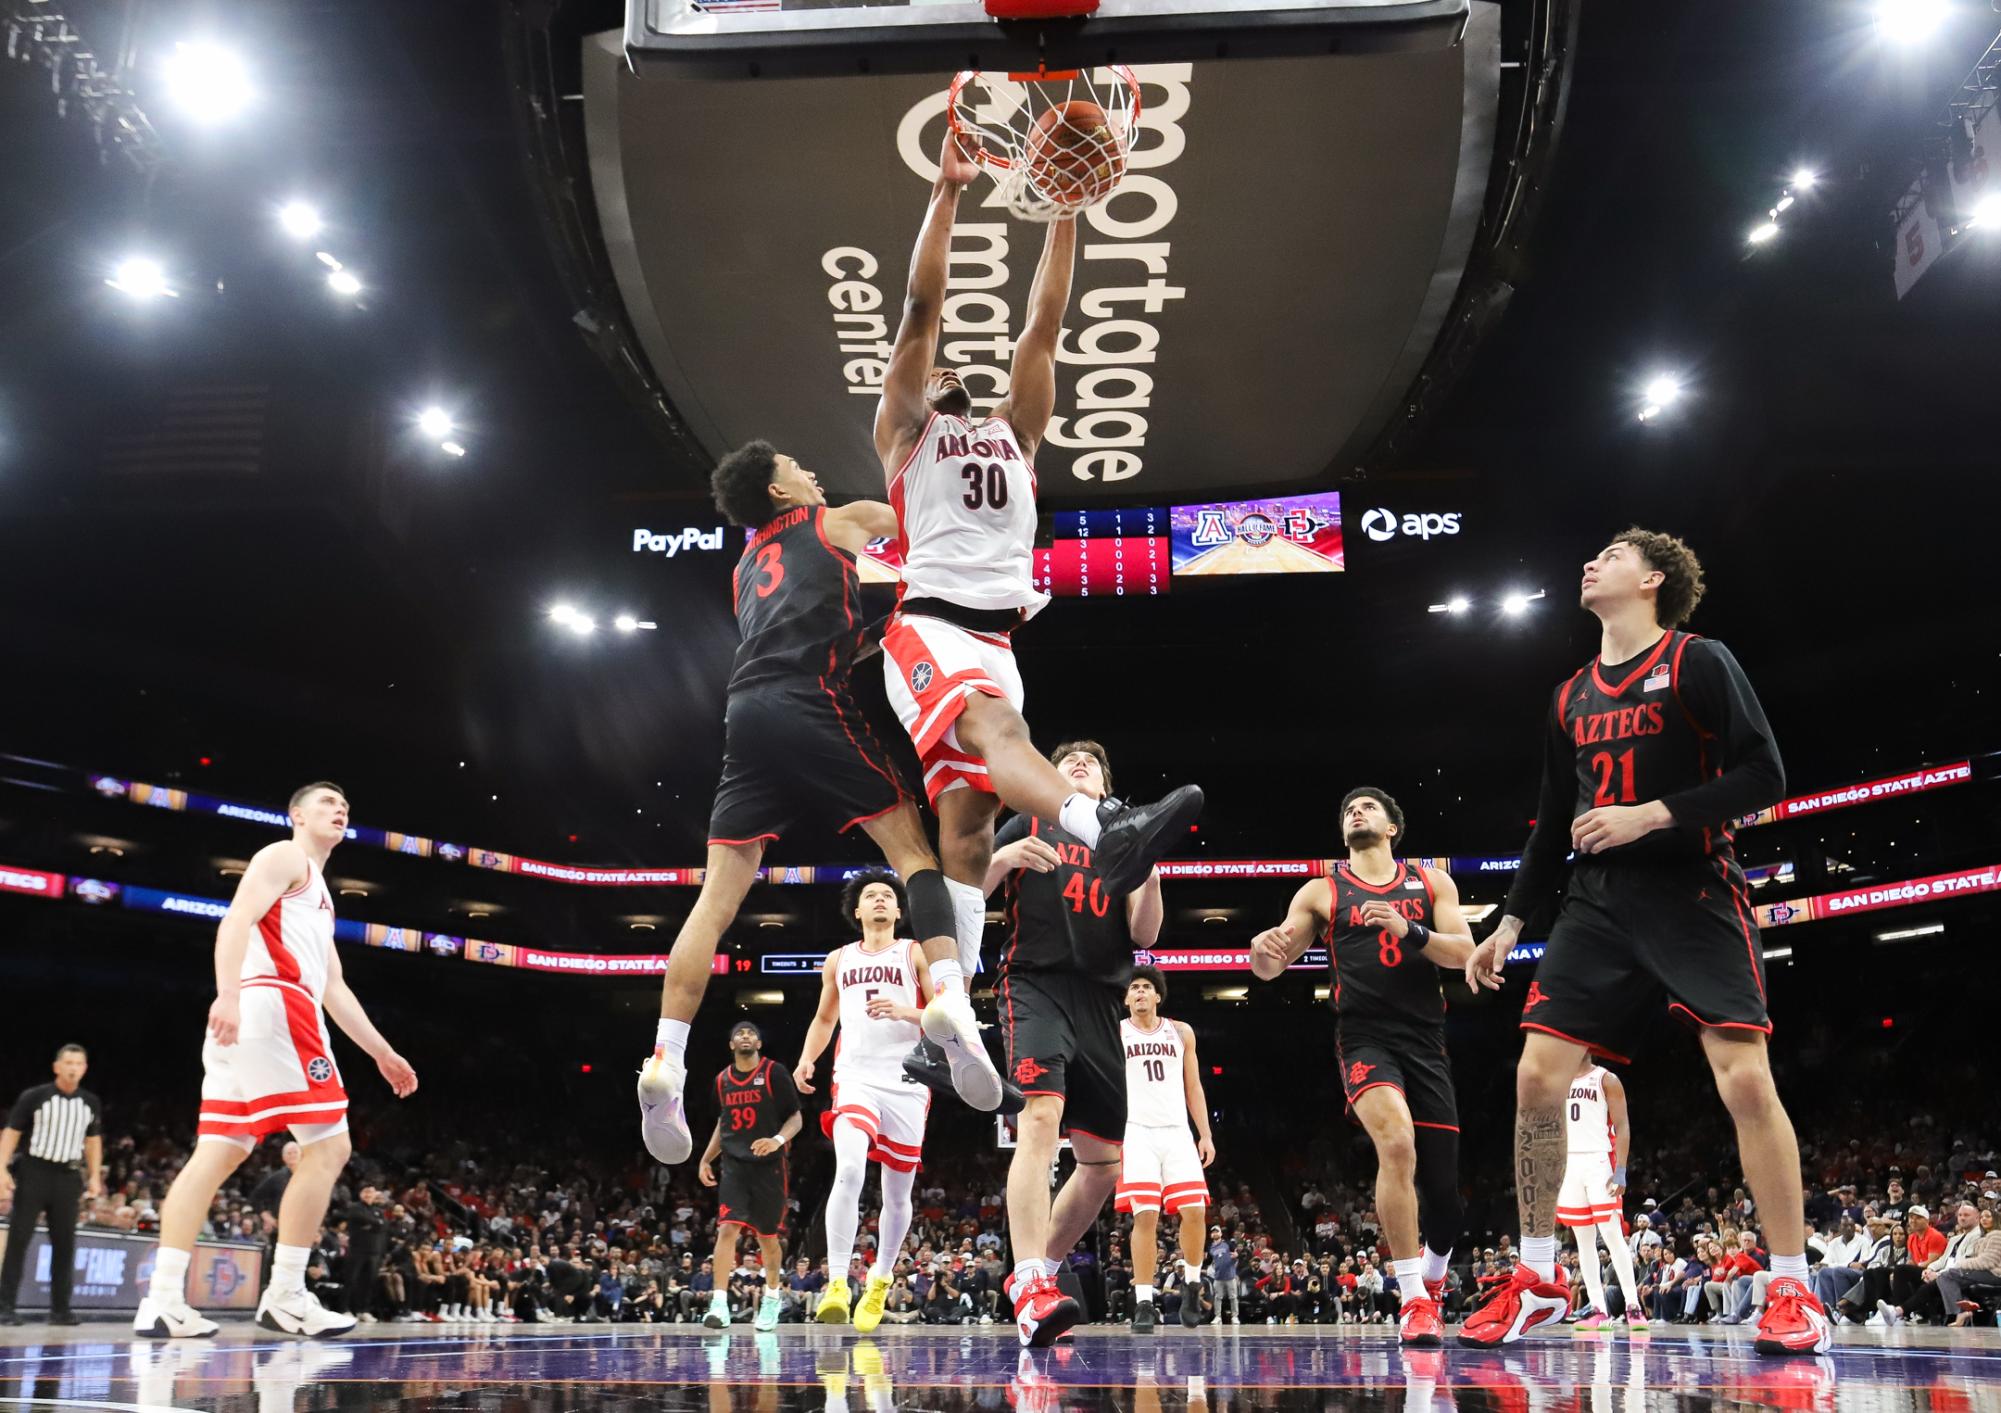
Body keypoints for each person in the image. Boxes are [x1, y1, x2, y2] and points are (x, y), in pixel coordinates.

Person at [872, 131, 1203, 1111]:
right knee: (1001, 735)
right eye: (927, 371)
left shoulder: (1016, 430)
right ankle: (1102, 822)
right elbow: (921, 307)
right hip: (928, 629)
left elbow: (1044, 325)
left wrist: (1068, 206)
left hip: (997, 641)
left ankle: (949, 1025)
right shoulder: (904, 429)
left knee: (966, 837)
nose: (940, 371)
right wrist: (947, 197)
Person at [1458, 529, 1830, 1357]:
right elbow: (1553, 820)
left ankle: (1791, 1283)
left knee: (1741, 1078)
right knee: (1533, 1075)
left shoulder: (1698, 660)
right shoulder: (1567, 697)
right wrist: (1510, 921)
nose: (1589, 562)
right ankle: (1537, 1279)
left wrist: (1653, 812)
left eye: (1611, 554)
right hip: (1596, 903)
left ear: (1652, 578)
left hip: (1692, 887)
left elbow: (1764, 775)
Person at [636, 447, 1007, 1168]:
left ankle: (665, 1058)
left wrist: (876, 631)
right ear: (780, 489)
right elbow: (917, 525)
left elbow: (815, 634)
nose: (813, 468)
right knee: (912, 853)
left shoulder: (743, 568)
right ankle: (951, 1002)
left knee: (714, 901)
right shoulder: (838, 520)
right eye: (798, 465)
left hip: (744, 713)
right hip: (810, 703)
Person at [133, 782, 418, 1339]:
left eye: (345, 805)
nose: (340, 810)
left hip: (253, 1020)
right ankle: (287, 1293)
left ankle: (162, 1299)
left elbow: (334, 986)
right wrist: (229, 993)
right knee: (330, 1146)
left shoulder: (319, 894)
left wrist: (382, 1052)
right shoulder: (286, 856)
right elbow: (235, 921)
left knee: (215, 1154)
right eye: (327, 804)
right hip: (273, 1004)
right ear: (295, 815)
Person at [1251, 786, 1475, 1348]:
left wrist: (1409, 930)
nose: (1357, 810)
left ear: (1392, 827)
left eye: (1369, 806)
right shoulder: (1321, 891)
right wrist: (1263, 952)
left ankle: (1433, 1274)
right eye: (1349, 807)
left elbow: (1464, 952)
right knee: (1396, 1143)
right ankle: (1414, 1300)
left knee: (1446, 1202)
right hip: (1364, 1039)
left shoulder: (1430, 882)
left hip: (1426, 1042)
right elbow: (1272, 966)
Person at [980, 741, 1168, 1346]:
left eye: (1091, 761)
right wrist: (1005, 856)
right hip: (1035, 982)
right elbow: (967, 890)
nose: (1079, 764)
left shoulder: (1119, 836)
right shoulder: (1027, 820)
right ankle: (1032, 1280)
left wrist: (1149, 863)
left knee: (1103, 1163)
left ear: (1106, 781)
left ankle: (1039, 1275)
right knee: (1041, 1115)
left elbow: (1144, 934)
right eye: (1067, 761)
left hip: (1102, 997)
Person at [794, 871, 934, 1333]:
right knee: (850, 1169)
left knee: (898, 1193)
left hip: (908, 1079)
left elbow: (944, 1013)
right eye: (870, 895)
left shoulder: (913, 951)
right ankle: (836, 1282)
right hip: (854, 1076)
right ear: (857, 911)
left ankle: (878, 1279)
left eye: (887, 896)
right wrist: (806, 1060)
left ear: (898, 912)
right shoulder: (838, 959)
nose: (879, 900)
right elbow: (822, 1017)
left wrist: (906, 1011)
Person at [1114, 965, 1215, 1332]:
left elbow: (1194, 1086)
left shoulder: (1181, 1032)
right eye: (1134, 988)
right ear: (1126, 998)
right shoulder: (1116, 1032)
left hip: (1176, 1132)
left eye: (1146, 987)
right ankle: (1143, 1303)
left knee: (1194, 1211)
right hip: (1136, 1132)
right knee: (1145, 1217)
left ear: (1158, 996)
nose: (1139, 992)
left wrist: (1204, 1133)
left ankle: (1191, 1283)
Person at [696, 1021, 801, 1332]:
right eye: (738, 1033)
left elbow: (795, 1117)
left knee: (766, 1237)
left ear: (758, 1043)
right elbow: (723, 1122)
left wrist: (777, 1141)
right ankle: (718, 1303)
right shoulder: (721, 1081)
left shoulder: (774, 1073)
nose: (744, 1036)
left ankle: (771, 1299)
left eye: (751, 1032)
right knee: (727, 1229)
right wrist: (705, 1158)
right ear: (731, 1045)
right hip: (734, 1167)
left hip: (769, 1167)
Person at [0, 1045, 104, 1325]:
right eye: (68, 1062)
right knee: (19, 1239)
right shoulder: (35, 1096)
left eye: (78, 1063)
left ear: (85, 1068)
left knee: (65, 1244)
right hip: (35, 1171)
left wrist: (94, 1176)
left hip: (68, 1177)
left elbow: (92, 1141)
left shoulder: (90, 1102)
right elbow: (11, 1133)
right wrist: (1, 1168)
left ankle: (60, 1310)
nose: (73, 1068)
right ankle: (5, 1307)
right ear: (56, 1067)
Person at [1557, 1057, 1644, 1329]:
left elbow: (1623, 1126)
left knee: (1612, 1236)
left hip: (1599, 1162)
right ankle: (1598, 1310)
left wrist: (1621, 1169)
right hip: (1570, 1164)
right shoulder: (1559, 1080)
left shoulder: (1606, 1079)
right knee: (1583, 1241)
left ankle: (1634, 1307)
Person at [250, 1141, 303, 1295]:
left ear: (301, 1155)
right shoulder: (277, 1177)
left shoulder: (307, 1177)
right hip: (281, 1227)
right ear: (283, 1158)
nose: (292, 1155)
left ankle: (294, 1294)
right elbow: (255, 1198)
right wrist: (267, 1217)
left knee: (298, 1262)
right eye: (289, 1153)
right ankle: (272, 1294)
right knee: (278, 1261)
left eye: (295, 1152)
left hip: (301, 1228)